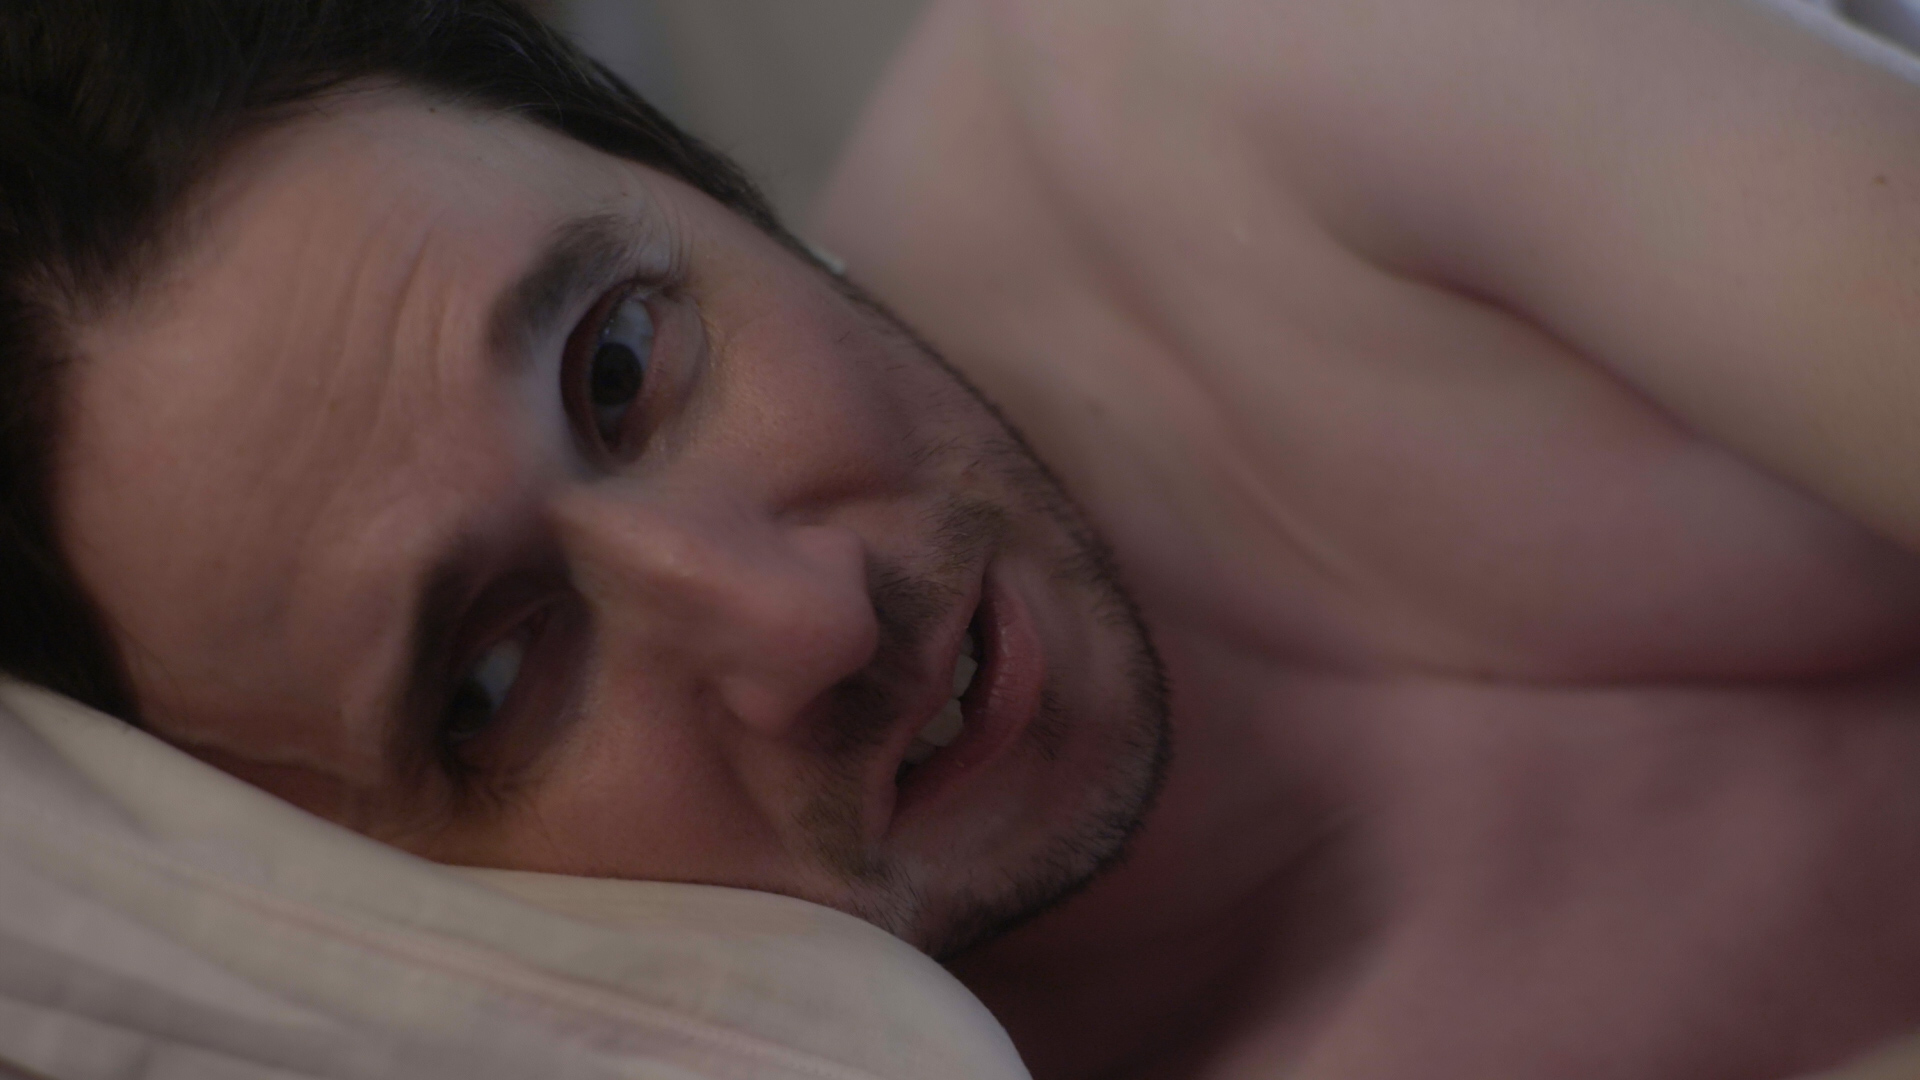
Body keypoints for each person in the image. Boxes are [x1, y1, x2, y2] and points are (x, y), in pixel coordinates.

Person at [3, 0, 1920, 1077]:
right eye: (496, 683)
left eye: (625, 365)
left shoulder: (1196, 73)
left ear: (693, 184)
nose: (808, 621)